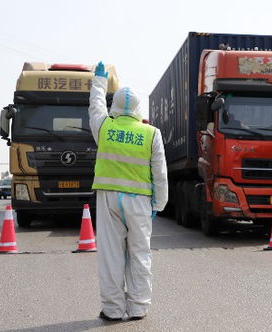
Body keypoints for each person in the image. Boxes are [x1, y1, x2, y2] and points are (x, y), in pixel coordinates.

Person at [89, 61, 168, 322]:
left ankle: (112, 309)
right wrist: (159, 204)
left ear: (115, 107)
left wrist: (99, 82)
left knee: (111, 255)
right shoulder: (151, 133)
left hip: (109, 198)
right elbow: (160, 173)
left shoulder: (103, 127)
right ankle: (138, 308)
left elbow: (96, 107)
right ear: (137, 109)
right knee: (139, 254)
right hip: (140, 202)